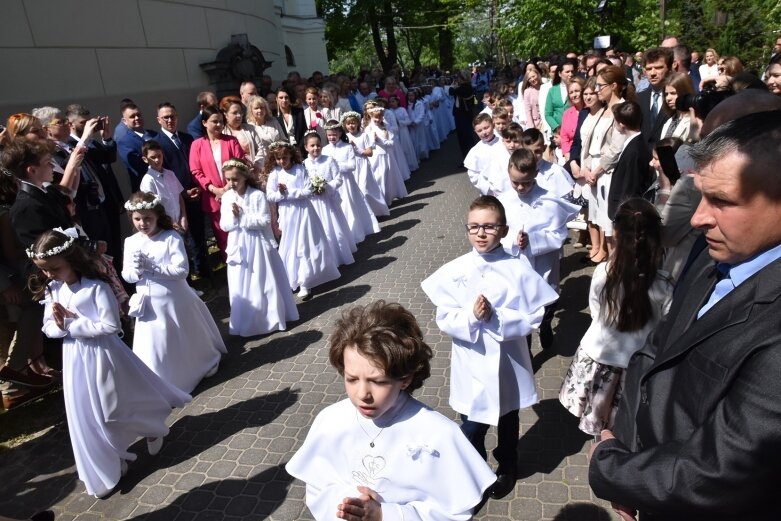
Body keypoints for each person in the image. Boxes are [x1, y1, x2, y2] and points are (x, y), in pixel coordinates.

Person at [589, 110, 781, 521]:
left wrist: (610, 466)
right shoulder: (714, 253)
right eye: (701, 196)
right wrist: (626, 443)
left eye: (722, 202)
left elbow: (719, 470)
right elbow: (655, 349)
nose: (698, 218)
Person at [286, 300, 496, 519]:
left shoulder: (438, 433)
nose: (362, 394)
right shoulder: (331, 420)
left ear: (405, 379)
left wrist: (385, 514)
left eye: (378, 381)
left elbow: (452, 513)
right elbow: (318, 487)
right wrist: (349, 504)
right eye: (351, 379)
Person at [30, 228, 190, 498]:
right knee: (88, 414)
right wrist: (60, 326)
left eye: (54, 269)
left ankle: (153, 427)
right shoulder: (54, 289)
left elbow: (110, 324)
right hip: (75, 359)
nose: (49, 276)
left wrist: (72, 323)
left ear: (71, 259)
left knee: (112, 407)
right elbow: (48, 326)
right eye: (45, 270)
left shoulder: (96, 286)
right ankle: (112, 459)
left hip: (103, 355)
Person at [421, 196, 558, 500]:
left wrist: (497, 318)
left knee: (507, 415)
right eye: (474, 227)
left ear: (503, 229)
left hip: (507, 360)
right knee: (472, 420)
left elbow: (533, 315)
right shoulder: (456, 269)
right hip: (471, 359)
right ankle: (473, 465)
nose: (481, 233)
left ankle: (508, 463)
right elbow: (444, 316)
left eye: (489, 227)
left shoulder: (516, 268)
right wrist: (471, 316)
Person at [560, 197, 672, 437]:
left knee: (600, 431)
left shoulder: (603, 273)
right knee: (627, 430)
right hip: (638, 367)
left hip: (600, 361)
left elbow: (595, 311)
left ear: (615, 233)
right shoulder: (665, 285)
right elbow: (666, 328)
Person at [121, 192, 226, 394]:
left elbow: (182, 271)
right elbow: (128, 275)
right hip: (149, 302)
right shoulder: (131, 242)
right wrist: (135, 271)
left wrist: (152, 268)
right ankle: (165, 380)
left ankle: (201, 363)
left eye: (147, 218)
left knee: (185, 335)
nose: (142, 223)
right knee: (158, 344)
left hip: (174, 298)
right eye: (137, 219)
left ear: (157, 216)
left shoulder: (170, 237)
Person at [498, 149, 579, 349]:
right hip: (516, 264)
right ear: (509, 171)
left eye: (525, 182)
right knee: (521, 310)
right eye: (515, 181)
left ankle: (546, 324)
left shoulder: (549, 200)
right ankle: (525, 349)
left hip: (543, 264)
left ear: (535, 173)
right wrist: (512, 240)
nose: (520, 187)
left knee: (548, 300)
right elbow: (497, 231)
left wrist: (533, 240)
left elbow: (559, 235)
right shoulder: (504, 200)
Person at [219, 159, 298, 336]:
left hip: (256, 243)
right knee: (241, 283)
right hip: (238, 243)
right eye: (228, 180)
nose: (231, 184)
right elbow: (224, 225)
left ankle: (269, 318)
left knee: (261, 280)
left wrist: (242, 217)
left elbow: (264, 220)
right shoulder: (226, 197)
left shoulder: (256, 196)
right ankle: (248, 321)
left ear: (245, 177)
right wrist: (233, 218)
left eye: (235, 179)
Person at [263, 141, 340, 301]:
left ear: (291, 155)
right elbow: (270, 195)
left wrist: (289, 192)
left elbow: (308, 190)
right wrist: (281, 194)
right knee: (291, 245)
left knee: (305, 245)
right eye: (278, 159)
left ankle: (306, 282)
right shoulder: (275, 174)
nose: (282, 161)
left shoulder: (300, 169)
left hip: (304, 212)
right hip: (287, 214)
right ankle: (293, 278)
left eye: (284, 158)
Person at [154, 102, 212, 282]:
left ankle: (204, 271)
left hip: (196, 192)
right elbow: (164, 172)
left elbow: (197, 164)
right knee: (180, 239)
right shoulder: (157, 143)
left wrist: (197, 187)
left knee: (199, 234)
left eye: (172, 116)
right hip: (175, 198)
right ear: (159, 120)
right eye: (165, 117)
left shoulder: (188, 139)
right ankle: (188, 276)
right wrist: (183, 192)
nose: (170, 120)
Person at [188, 105, 246, 256]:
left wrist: (226, 189)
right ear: (204, 123)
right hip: (213, 198)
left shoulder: (231, 141)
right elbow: (196, 171)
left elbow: (239, 164)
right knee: (223, 236)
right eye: (215, 121)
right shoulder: (197, 145)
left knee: (241, 232)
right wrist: (214, 189)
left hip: (235, 193)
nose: (219, 125)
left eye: (221, 121)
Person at [302, 132, 356, 267]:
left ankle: (340, 254)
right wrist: (311, 189)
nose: (316, 148)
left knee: (334, 227)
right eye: (312, 145)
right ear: (306, 147)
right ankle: (326, 259)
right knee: (321, 231)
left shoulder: (329, 160)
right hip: (314, 203)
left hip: (328, 201)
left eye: (318, 145)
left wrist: (326, 186)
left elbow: (338, 179)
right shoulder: (304, 164)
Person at [321, 120, 380, 243]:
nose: (332, 137)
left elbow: (352, 165)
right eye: (329, 135)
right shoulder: (325, 150)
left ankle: (355, 233)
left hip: (346, 182)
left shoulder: (347, 147)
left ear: (340, 133)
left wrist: (335, 166)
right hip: (333, 184)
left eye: (334, 134)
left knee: (349, 205)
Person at [606, 102, 653, 220]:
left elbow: (630, 187)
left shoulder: (634, 151)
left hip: (625, 214)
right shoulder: (634, 144)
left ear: (621, 124)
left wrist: (623, 216)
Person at [341, 112, 389, 217]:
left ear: (358, 123)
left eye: (353, 123)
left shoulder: (363, 136)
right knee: (355, 191)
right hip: (351, 167)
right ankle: (362, 215)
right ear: (345, 125)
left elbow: (369, 153)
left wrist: (356, 148)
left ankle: (373, 212)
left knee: (364, 189)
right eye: (348, 124)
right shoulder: (345, 137)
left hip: (362, 165)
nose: (351, 126)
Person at [363, 103, 407, 205]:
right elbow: (369, 144)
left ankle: (389, 196)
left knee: (389, 176)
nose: (378, 120)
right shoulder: (369, 129)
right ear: (371, 116)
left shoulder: (386, 127)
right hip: (376, 156)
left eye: (380, 117)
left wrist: (381, 140)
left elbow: (391, 142)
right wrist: (375, 141)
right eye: (375, 118)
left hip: (387, 156)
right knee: (379, 176)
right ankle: (381, 199)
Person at [139, 140, 187, 233]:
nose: (157, 160)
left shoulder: (170, 174)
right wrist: (170, 222)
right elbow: (153, 208)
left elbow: (179, 196)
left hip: (179, 223)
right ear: (145, 159)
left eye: (159, 156)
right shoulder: (148, 180)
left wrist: (183, 217)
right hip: (164, 227)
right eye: (152, 157)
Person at [115, 103, 158, 193]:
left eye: (138, 115)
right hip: (147, 189)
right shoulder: (124, 142)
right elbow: (137, 167)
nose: (137, 118)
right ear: (124, 121)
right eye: (132, 116)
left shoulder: (155, 134)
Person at [521, 128, 574, 198]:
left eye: (537, 151)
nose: (533, 156)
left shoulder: (556, 171)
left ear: (544, 148)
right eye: (528, 151)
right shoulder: (519, 173)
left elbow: (568, 200)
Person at [636, 48, 673, 146]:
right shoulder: (639, 98)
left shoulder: (676, 98)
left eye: (658, 67)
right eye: (648, 69)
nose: (652, 73)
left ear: (669, 69)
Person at [464, 113, 502, 195]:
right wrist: (488, 188)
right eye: (479, 131)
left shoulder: (503, 142)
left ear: (493, 125)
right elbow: (473, 175)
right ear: (475, 132)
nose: (484, 132)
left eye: (486, 128)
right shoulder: (475, 151)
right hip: (491, 192)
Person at [245, 95, 284, 171]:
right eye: (256, 108)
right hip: (261, 165)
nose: (260, 110)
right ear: (251, 110)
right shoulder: (249, 127)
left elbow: (283, 139)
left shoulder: (274, 121)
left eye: (262, 108)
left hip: (279, 161)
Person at [659, 73, 694, 140]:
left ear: (684, 93)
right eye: (666, 94)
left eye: (673, 93)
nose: (668, 98)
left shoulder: (694, 121)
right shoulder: (669, 121)